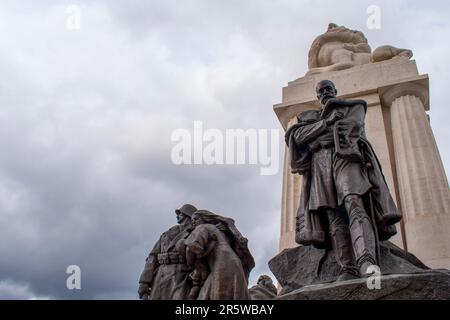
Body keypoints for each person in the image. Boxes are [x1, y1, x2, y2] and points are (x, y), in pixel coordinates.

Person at [285, 80, 401, 280]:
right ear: (317, 96)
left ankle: (367, 261)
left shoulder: (352, 107)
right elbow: (298, 137)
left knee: (354, 203)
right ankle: (347, 268)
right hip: (320, 166)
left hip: (346, 159)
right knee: (333, 217)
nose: (325, 93)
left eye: (328, 89)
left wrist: (317, 138)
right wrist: (327, 124)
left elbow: (352, 129)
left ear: (335, 91)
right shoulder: (309, 118)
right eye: (321, 91)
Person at [181, 210, 255, 300]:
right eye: (192, 220)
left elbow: (192, 247)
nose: (193, 222)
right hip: (235, 264)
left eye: (196, 219)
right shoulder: (220, 231)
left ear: (204, 219)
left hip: (222, 264)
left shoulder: (203, 227)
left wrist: (190, 264)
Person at [138, 204, 197, 299]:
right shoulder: (167, 233)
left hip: (181, 276)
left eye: (180, 213)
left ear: (188, 215)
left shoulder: (196, 232)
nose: (178, 215)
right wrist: (144, 282)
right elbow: (152, 257)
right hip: (160, 275)